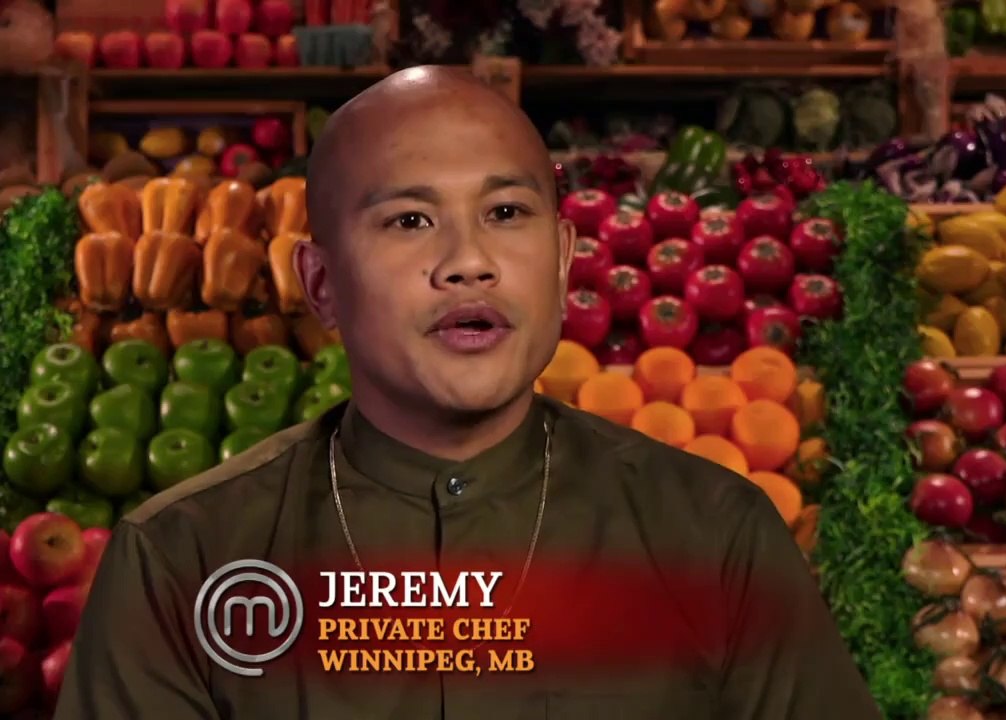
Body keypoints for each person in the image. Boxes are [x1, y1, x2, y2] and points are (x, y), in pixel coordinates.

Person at [55, 66, 882, 719]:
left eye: (507, 212)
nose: (469, 262)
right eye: (409, 221)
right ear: (322, 284)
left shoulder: (717, 537)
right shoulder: (181, 564)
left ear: (562, 259)